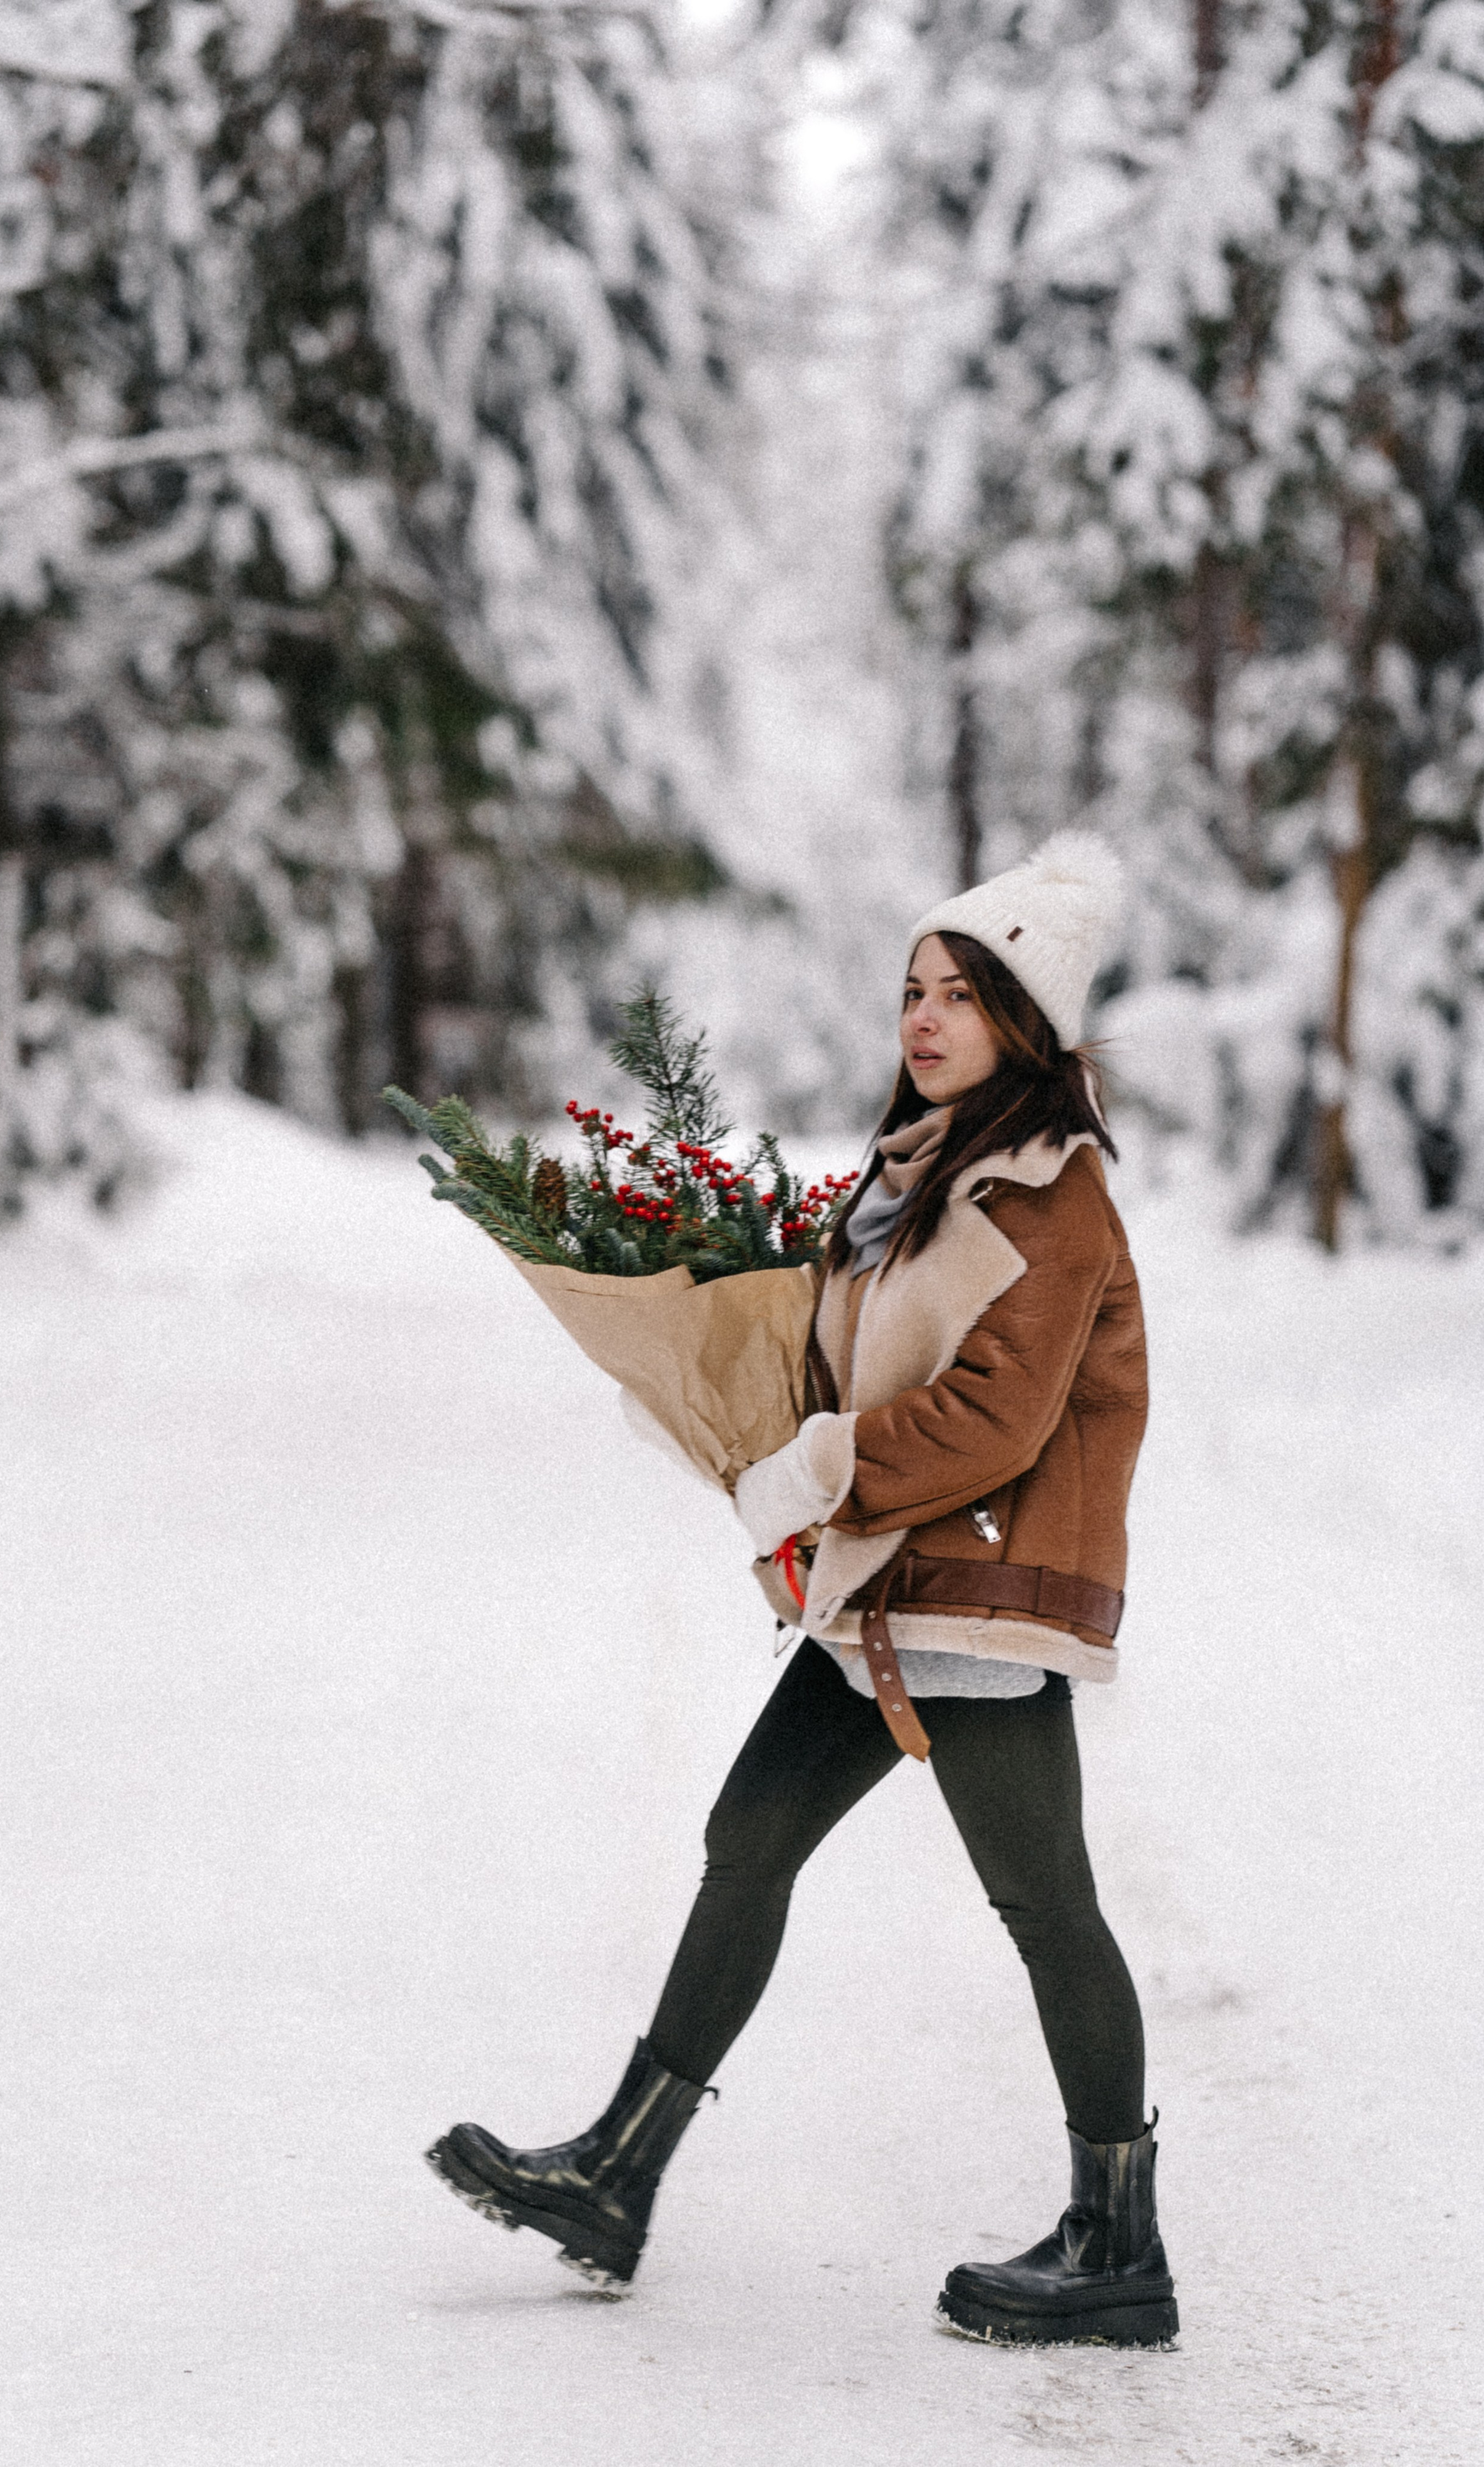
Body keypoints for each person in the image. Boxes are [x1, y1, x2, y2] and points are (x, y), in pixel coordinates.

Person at [426, 834, 1177, 2349]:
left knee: (1044, 1904)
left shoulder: (1053, 1194)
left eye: (958, 994)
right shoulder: (916, 1181)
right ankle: (617, 2176)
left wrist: (817, 1474)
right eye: (910, 990)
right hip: (891, 1581)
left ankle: (1117, 2245)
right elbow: (847, 1363)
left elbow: (995, 1418)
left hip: (980, 1591)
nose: (922, 1017)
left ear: (1021, 1019)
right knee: (748, 1837)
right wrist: (728, 1415)